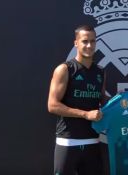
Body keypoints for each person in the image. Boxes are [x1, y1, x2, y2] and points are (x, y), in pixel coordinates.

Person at [47, 25, 106, 175]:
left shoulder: (100, 71)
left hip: (93, 141)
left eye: (93, 41)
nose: (89, 45)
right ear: (76, 43)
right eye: (85, 41)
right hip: (68, 141)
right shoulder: (65, 69)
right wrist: (85, 114)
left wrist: (126, 107)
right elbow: (52, 105)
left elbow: (104, 102)